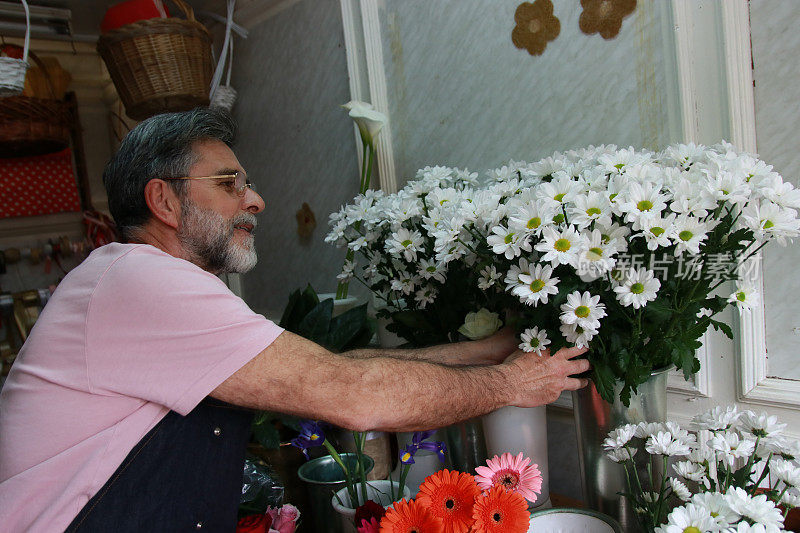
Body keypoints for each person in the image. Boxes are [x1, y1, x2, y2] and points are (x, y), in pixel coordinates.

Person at [0, 108, 589, 531]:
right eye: (229, 183)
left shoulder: (149, 284)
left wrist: (492, 351)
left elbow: (333, 369)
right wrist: (511, 384)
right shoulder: (139, 283)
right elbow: (355, 395)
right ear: (165, 201)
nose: (255, 200)